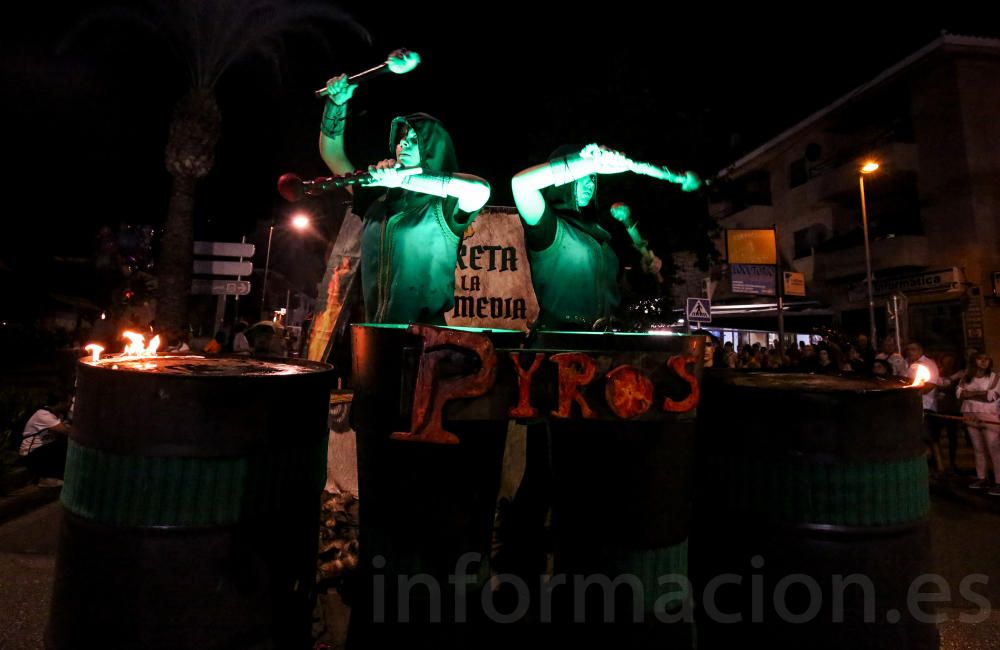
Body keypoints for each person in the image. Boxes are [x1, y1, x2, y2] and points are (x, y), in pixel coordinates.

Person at [319, 67, 490, 325]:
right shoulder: (376, 197)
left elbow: (480, 189)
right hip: (374, 335)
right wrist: (336, 104)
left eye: (415, 138)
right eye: (401, 139)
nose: (404, 143)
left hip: (427, 341)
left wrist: (405, 178)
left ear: (433, 148)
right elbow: (331, 153)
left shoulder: (444, 206)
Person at [510, 143, 661, 330]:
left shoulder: (602, 234)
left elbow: (618, 290)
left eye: (593, 176)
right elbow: (520, 185)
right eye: (583, 176)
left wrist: (643, 269)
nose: (590, 183)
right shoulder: (547, 226)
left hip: (606, 345)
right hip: (559, 344)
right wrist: (589, 162)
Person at [955, 353, 1000, 494]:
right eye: (980, 358)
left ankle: (999, 481)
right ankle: (982, 477)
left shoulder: (994, 377)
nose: (984, 361)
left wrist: (971, 394)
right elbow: (959, 394)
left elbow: (991, 396)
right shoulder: (967, 376)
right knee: (978, 448)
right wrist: (980, 393)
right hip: (969, 413)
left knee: (994, 448)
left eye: (987, 359)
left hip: (988, 414)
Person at [905, 341, 942, 472]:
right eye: (908, 349)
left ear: (921, 350)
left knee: (930, 437)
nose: (910, 352)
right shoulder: (907, 364)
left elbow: (930, 384)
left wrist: (913, 393)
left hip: (926, 405)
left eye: (913, 349)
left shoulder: (928, 364)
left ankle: (939, 468)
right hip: (911, 406)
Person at [18, 394, 72, 483]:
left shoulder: (58, 415)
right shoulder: (43, 414)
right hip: (30, 455)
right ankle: (44, 477)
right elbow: (68, 431)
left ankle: (53, 475)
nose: (71, 404)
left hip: (42, 451)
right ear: (60, 403)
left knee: (64, 443)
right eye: (69, 402)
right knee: (63, 443)